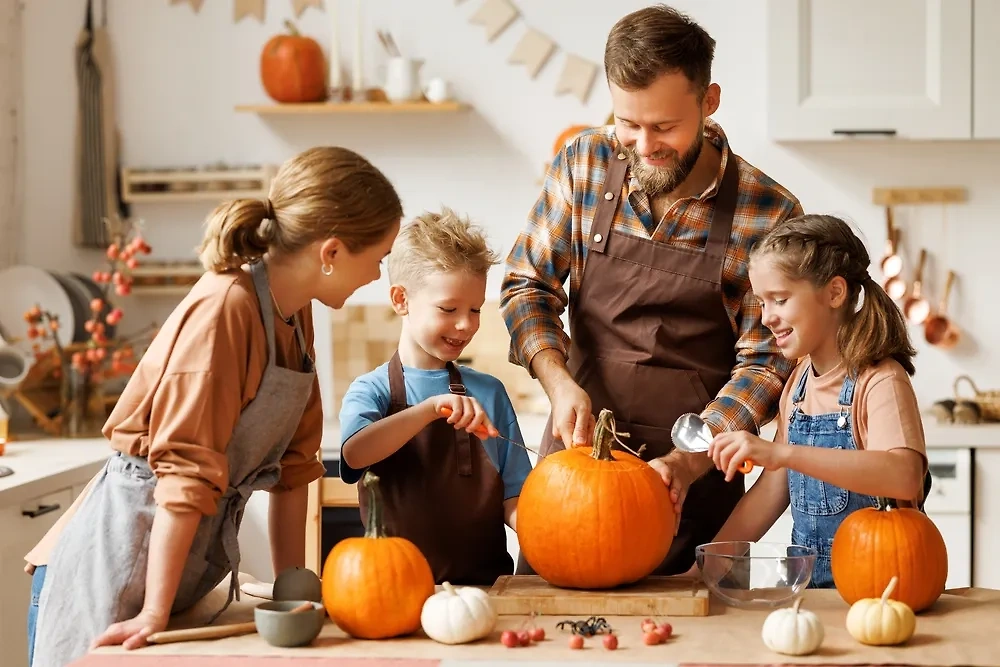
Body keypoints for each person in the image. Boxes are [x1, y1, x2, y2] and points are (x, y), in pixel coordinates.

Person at [24, 146, 403, 666]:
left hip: (181, 570)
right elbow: (183, 472)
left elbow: (294, 470)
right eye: (378, 259)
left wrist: (293, 593)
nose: (378, 276)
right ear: (331, 253)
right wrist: (154, 612)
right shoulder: (226, 307)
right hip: (117, 563)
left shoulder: (295, 316)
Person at [500, 4, 803, 575]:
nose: (643, 145)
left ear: (709, 101)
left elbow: (767, 361)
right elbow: (526, 286)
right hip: (578, 471)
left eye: (664, 127)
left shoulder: (768, 212)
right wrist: (558, 381)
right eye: (628, 123)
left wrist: (690, 461)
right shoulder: (584, 163)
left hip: (695, 483)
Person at [701, 214, 929, 587]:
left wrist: (782, 454)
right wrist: (708, 565)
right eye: (762, 302)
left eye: (780, 300)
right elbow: (772, 491)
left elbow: (904, 476)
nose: (767, 317)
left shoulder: (881, 380)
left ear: (834, 293)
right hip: (811, 593)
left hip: (878, 595)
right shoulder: (799, 385)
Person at [338, 208, 532, 585]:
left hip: (485, 592)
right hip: (393, 593)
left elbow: (517, 497)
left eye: (475, 309)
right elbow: (354, 453)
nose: (466, 324)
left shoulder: (489, 393)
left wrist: (552, 537)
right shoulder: (371, 390)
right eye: (448, 309)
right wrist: (429, 410)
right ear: (401, 300)